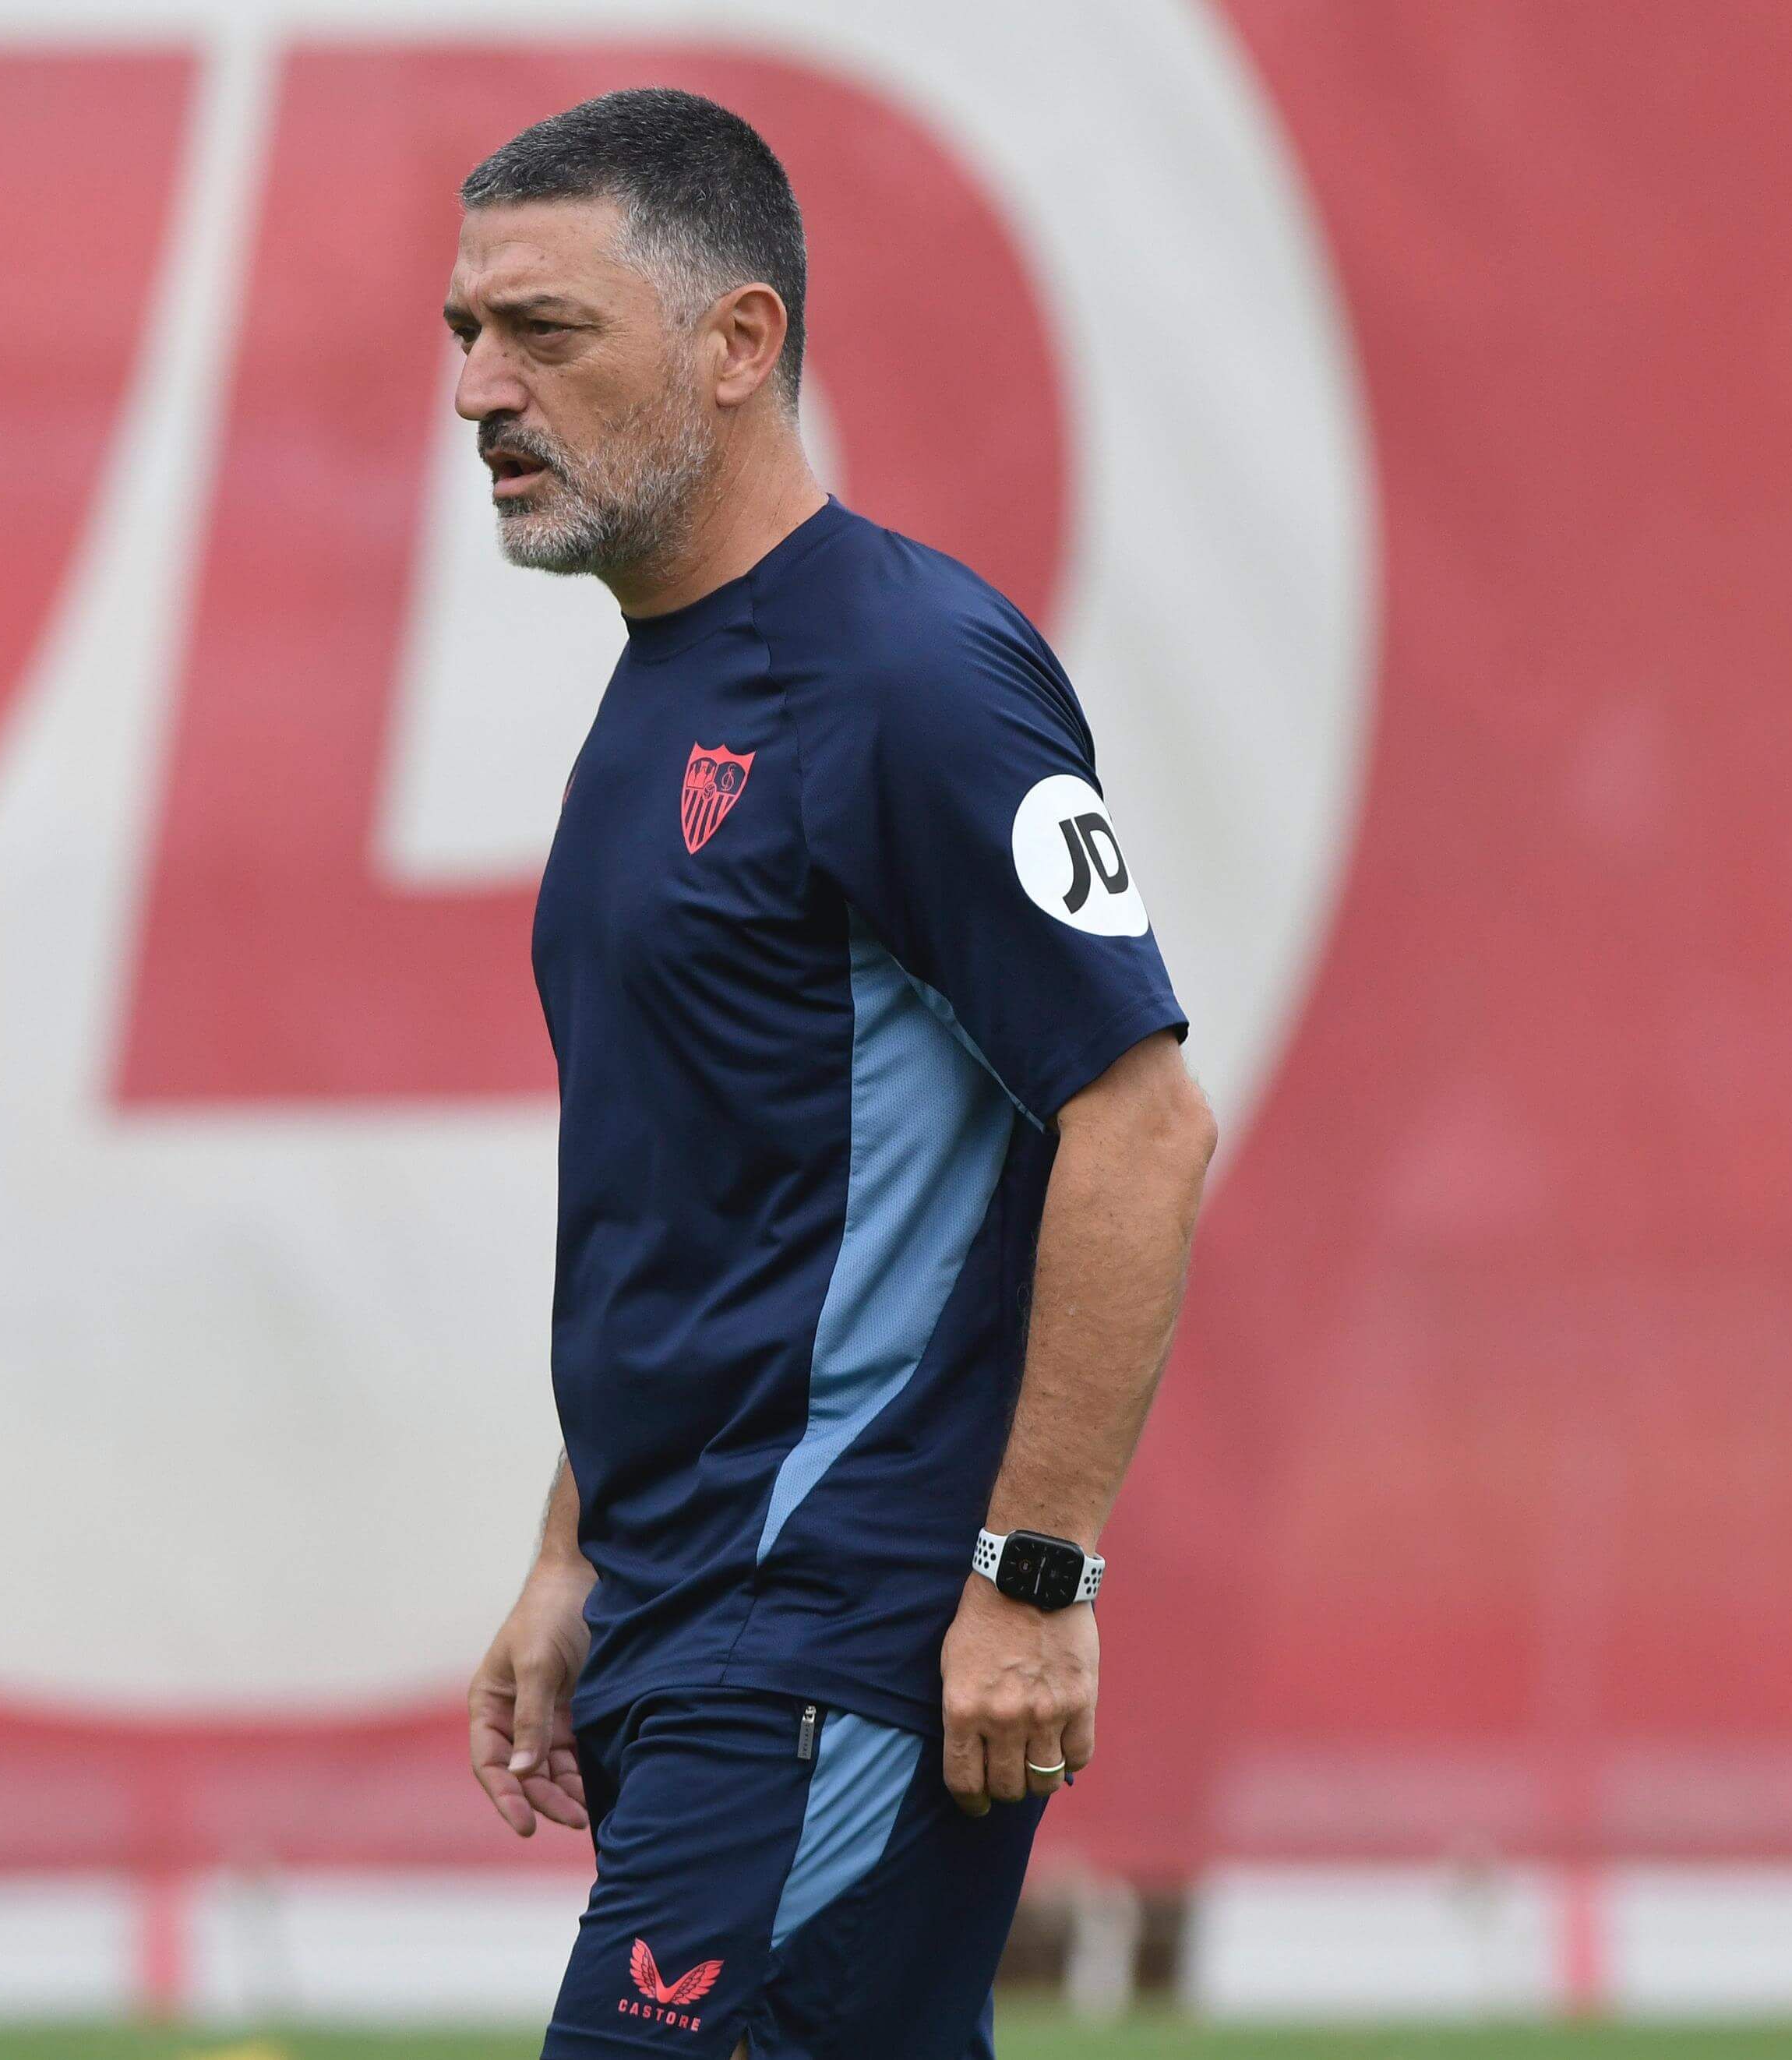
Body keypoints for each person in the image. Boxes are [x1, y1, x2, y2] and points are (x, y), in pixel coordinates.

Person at [450, 88, 1217, 2057]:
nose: (479, 388)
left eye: (545, 331)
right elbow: (711, 1194)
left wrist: (1033, 1571)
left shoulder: (906, 680)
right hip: (690, 1626)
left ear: (735, 344)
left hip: (837, 1638)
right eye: (465, 333)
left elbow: (1139, 1117)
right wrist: (572, 1552)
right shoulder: (660, 690)